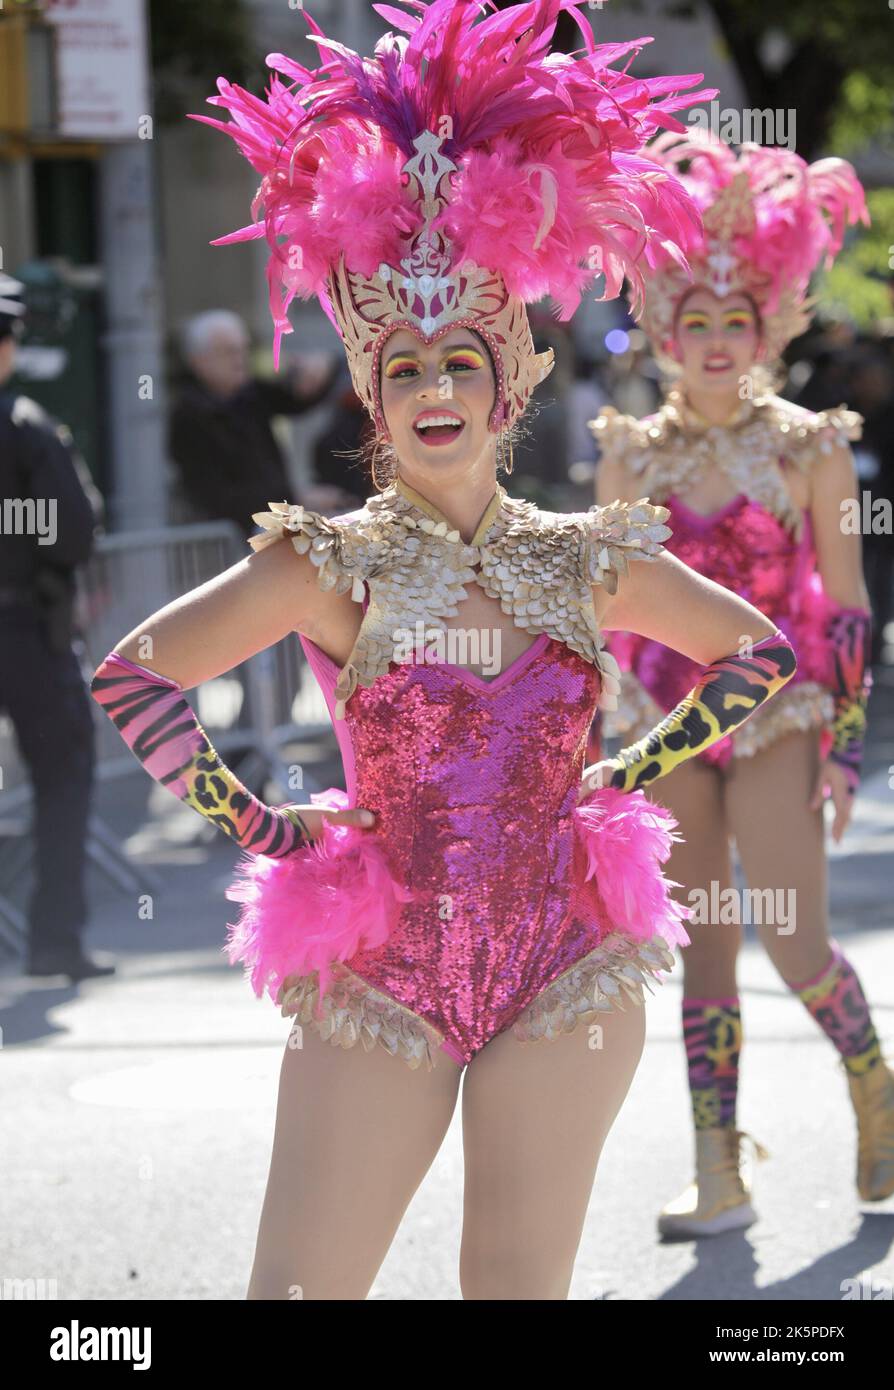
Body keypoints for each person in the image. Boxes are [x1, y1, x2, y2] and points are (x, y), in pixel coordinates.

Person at [88, 1, 800, 1300]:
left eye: (458, 362)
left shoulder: (591, 558)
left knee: (512, 1289)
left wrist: (626, 770)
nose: (431, 389)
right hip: (383, 971)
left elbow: (757, 656)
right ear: (369, 387)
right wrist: (269, 830)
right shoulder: (321, 562)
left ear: (508, 380)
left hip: (564, 969)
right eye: (402, 362)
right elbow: (133, 676)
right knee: (300, 1290)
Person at [590, 130, 893, 1238]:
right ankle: (717, 1170)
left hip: (777, 719)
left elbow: (849, 606)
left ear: (767, 329)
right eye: (696, 323)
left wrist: (850, 745)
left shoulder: (813, 446)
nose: (716, 342)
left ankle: (875, 1083)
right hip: (670, 728)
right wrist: (593, 733)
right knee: (702, 941)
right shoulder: (628, 452)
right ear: (666, 334)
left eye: (736, 322)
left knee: (793, 933)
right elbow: (601, 607)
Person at [0, 273, 112, 983]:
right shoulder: (24, 428)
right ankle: (52, 941)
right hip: (22, 632)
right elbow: (70, 533)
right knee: (63, 773)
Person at [168, 309, 352, 535]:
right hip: (232, 537)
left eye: (243, 349)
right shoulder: (189, 414)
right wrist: (295, 500)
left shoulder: (249, 394)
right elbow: (214, 494)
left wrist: (325, 367)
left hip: (265, 522)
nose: (240, 359)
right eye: (229, 352)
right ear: (199, 360)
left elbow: (297, 398)